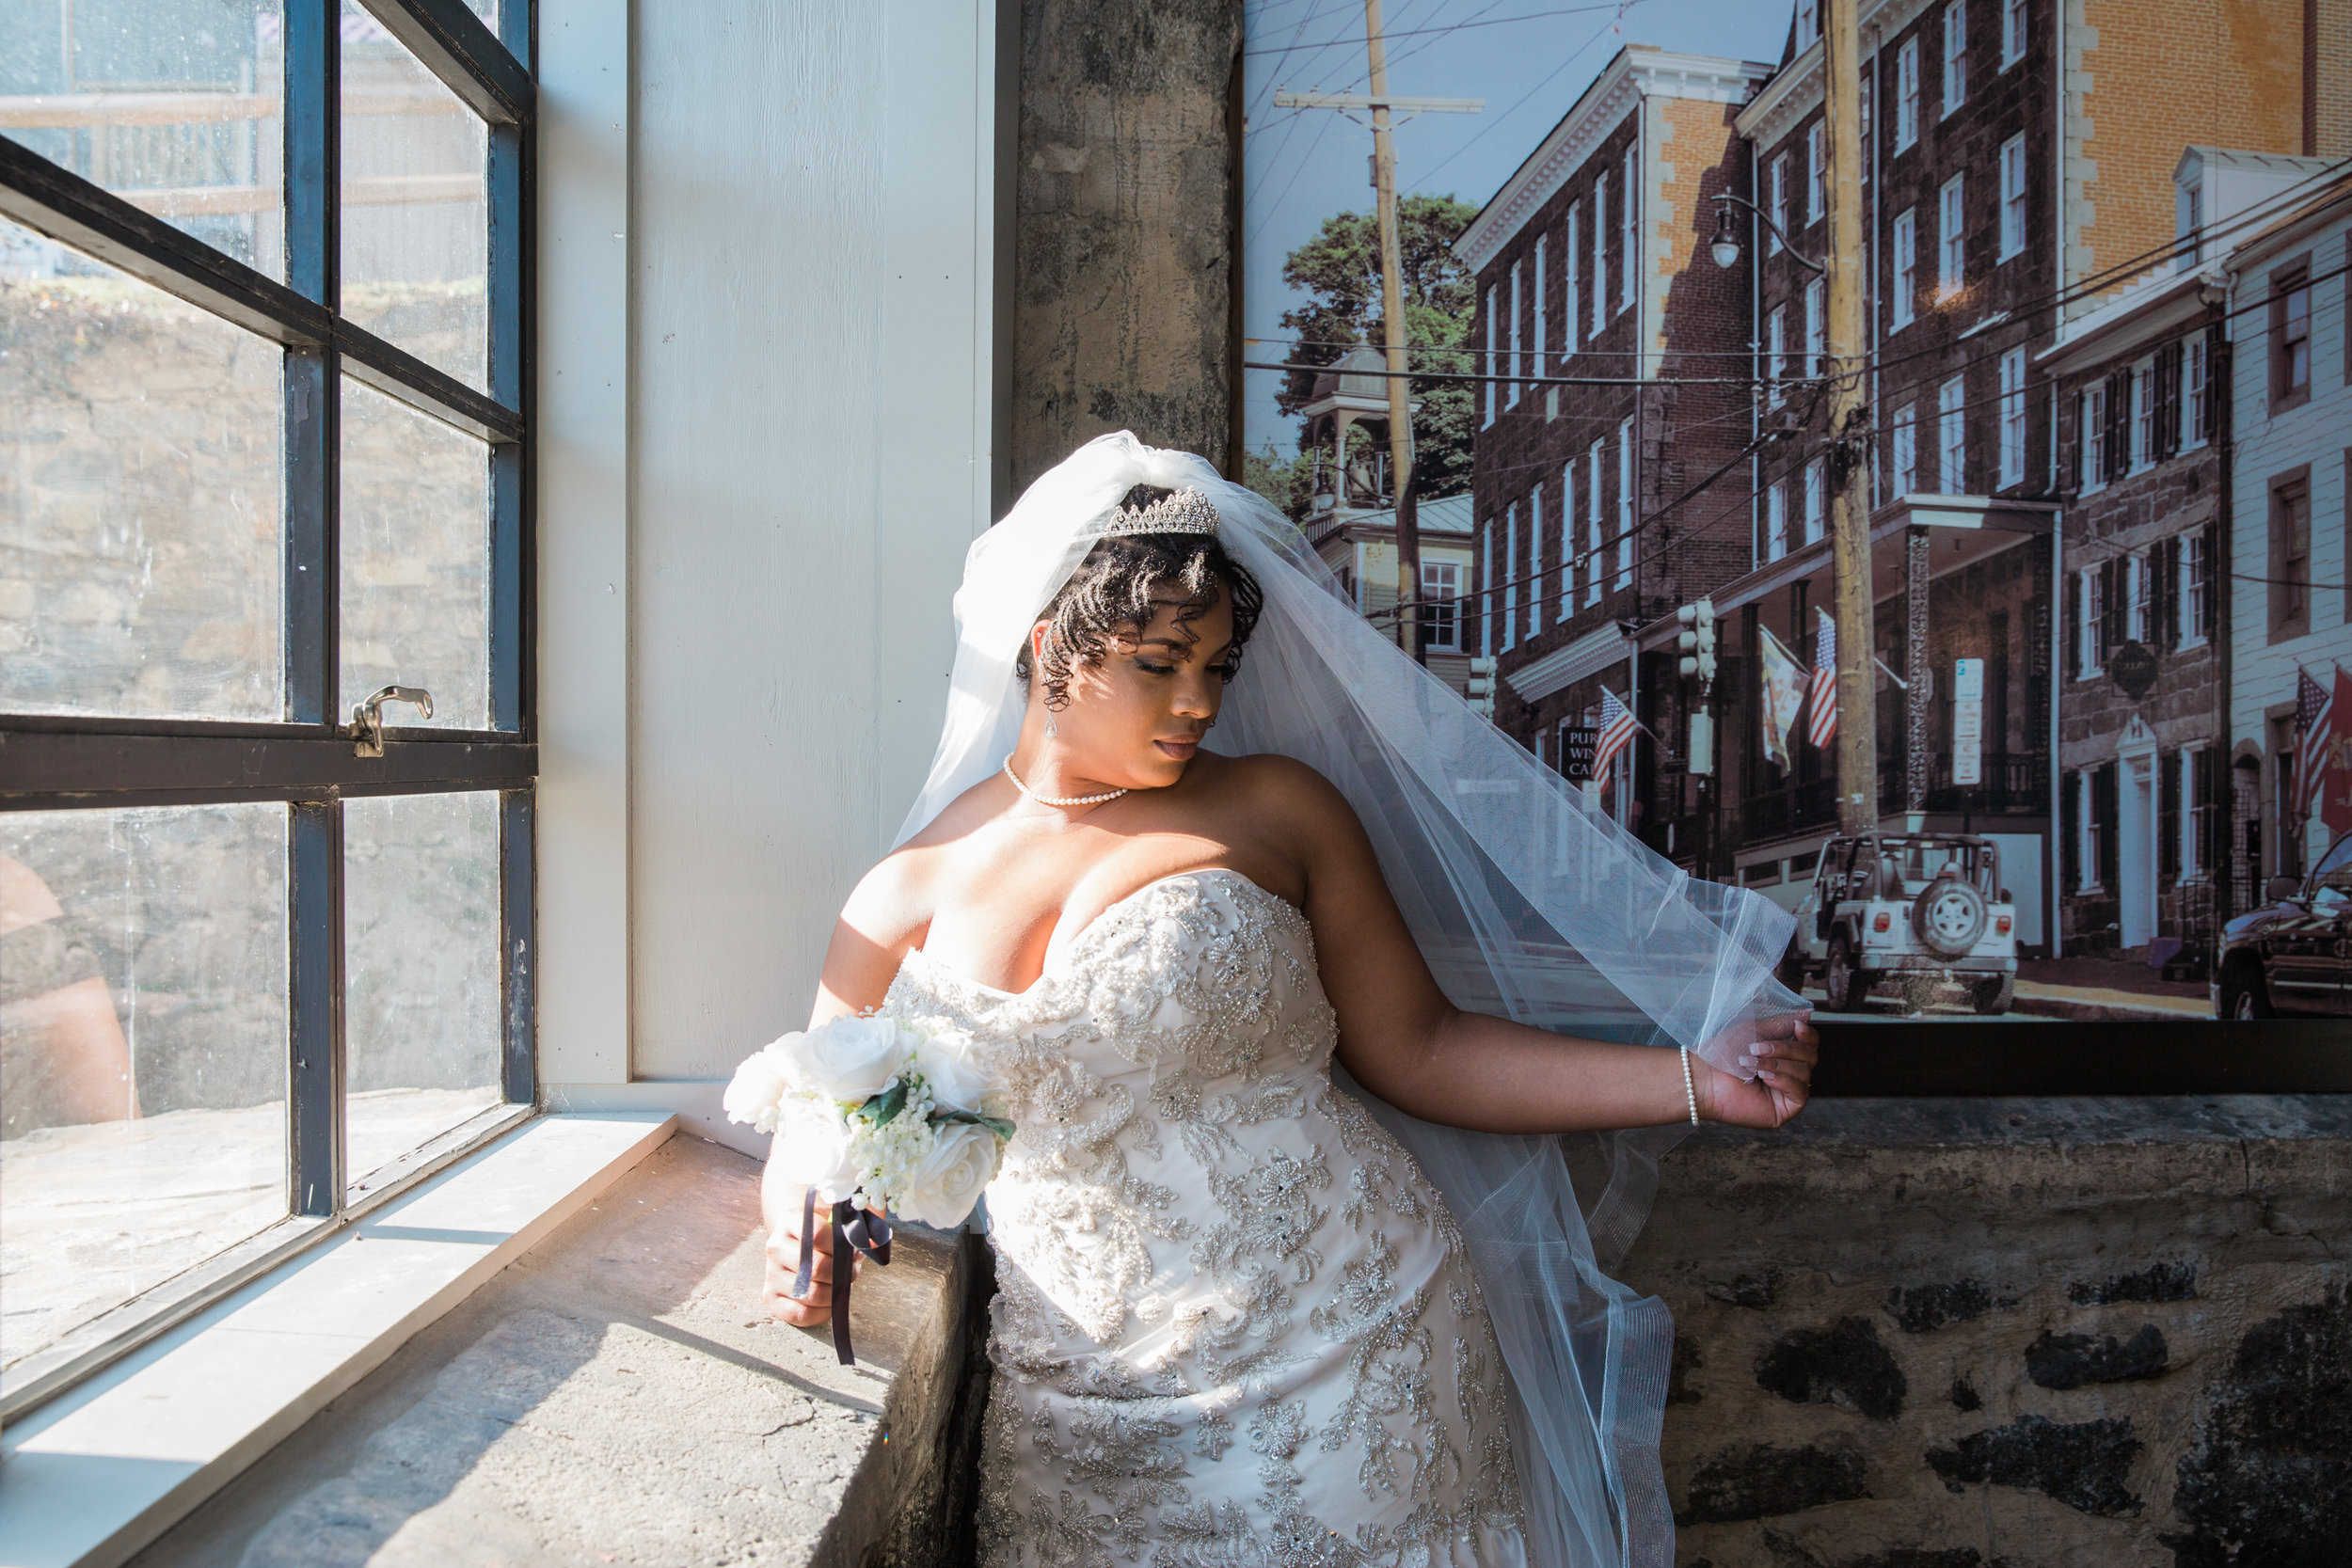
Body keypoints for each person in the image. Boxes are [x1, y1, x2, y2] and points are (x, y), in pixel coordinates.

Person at [760, 434, 1817, 1565]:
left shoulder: (1275, 810)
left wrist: (1690, 1081)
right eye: (1161, 662)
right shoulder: (904, 889)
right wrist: (793, 1211)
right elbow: (823, 1104)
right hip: (1082, 1408)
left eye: (1215, 667)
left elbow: (1425, 1047)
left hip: (1353, 1347)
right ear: (1048, 646)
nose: (1198, 702)